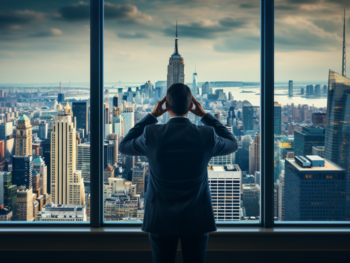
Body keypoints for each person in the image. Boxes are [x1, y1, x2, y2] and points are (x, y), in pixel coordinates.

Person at [119, 83, 238, 263]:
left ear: (166, 107)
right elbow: (232, 143)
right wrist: (205, 115)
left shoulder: (152, 133)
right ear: (191, 107)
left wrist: (152, 116)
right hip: (197, 216)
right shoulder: (206, 134)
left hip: (160, 217)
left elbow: (124, 145)